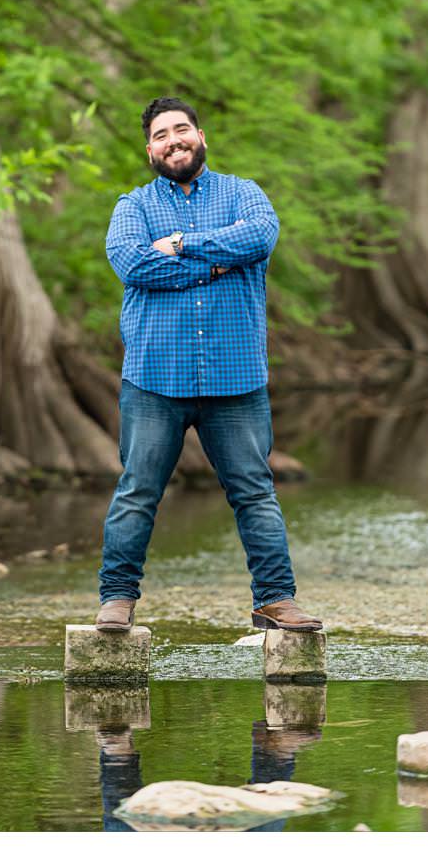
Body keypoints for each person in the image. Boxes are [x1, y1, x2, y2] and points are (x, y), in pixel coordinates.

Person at [95, 97, 321, 634]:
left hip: (235, 377)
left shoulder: (245, 193)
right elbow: (132, 263)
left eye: (181, 130)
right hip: (155, 377)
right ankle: (117, 598)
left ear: (201, 136)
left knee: (255, 492)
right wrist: (219, 263)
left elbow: (260, 237)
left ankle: (275, 600)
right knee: (138, 491)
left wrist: (179, 246)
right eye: (161, 135)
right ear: (149, 149)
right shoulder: (133, 206)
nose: (173, 140)